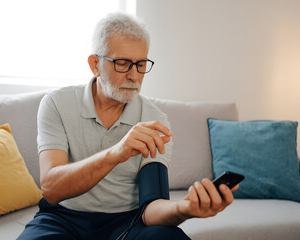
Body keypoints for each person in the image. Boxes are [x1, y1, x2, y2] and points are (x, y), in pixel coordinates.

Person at [17, 12, 238, 240]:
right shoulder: (56, 103)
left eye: (141, 64)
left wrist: (185, 208)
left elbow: (151, 207)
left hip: (127, 221)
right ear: (95, 65)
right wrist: (117, 153)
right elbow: (52, 189)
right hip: (63, 218)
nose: (134, 76)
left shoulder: (155, 120)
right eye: (123, 63)